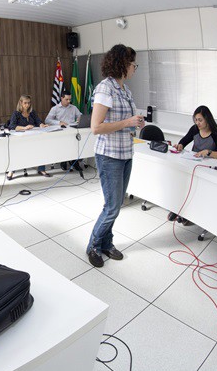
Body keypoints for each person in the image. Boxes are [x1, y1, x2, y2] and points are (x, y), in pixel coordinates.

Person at [87, 44, 145, 268]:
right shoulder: (105, 88)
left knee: (117, 204)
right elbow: (96, 127)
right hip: (109, 155)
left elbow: (124, 122)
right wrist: (127, 122)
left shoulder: (125, 90)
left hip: (125, 153)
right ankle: (93, 245)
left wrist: (136, 122)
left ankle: (106, 243)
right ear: (123, 64)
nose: (134, 68)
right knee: (112, 207)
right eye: (133, 64)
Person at [169, 105, 217, 223]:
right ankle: (177, 208)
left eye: (200, 120)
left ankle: (189, 214)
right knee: (181, 181)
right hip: (193, 163)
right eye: (195, 120)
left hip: (208, 168)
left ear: (207, 119)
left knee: (196, 187)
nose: (197, 123)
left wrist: (208, 152)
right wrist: (180, 145)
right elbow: (184, 141)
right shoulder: (195, 129)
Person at [6, 95, 52, 179]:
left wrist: (42, 125)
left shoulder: (32, 112)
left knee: (42, 147)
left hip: (33, 137)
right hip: (20, 139)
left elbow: (38, 121)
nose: (27, 105)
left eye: (29, 103)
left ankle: (41, 169)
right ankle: (11, 170)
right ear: (20, 103)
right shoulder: (16, 113)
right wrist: (24, 128)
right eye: (25, 103)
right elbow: (12, 126)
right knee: (16, 151)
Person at [45, 90, 84, 172]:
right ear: (61, 98)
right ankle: (64, 162)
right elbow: (47, 120)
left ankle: (75, 162)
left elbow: (80, 115)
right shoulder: (55, 108)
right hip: (61, 132)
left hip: (72, 131)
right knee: (64, 146)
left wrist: (79, 118)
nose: (69, 101)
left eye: (70, 99)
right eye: (66, 99)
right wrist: (59, 122)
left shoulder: (73, 108)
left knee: (75, 145)